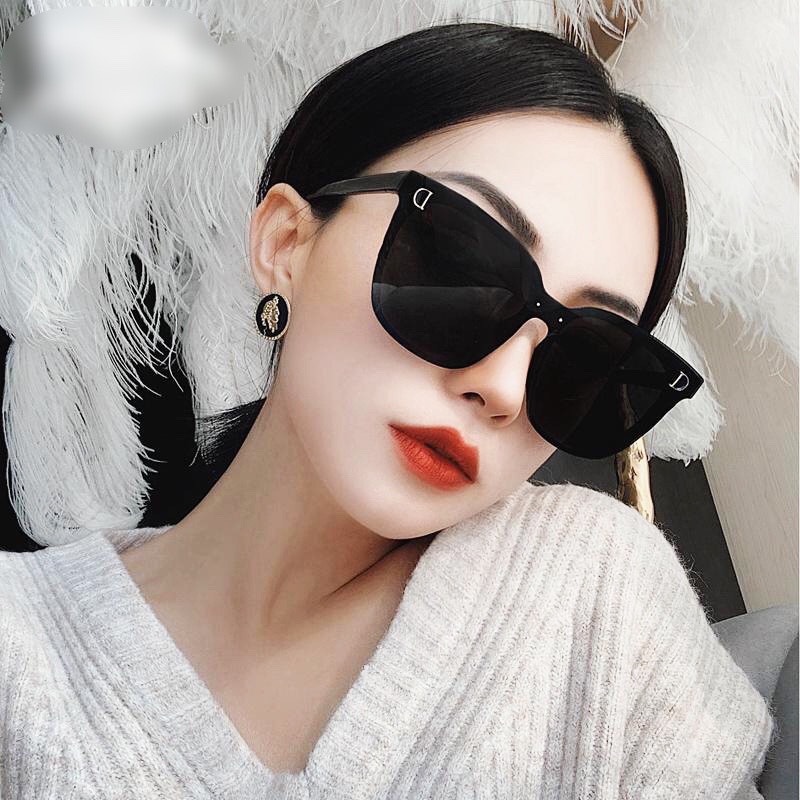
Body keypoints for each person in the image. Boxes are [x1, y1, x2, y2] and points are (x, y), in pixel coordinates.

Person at [0, 22, 775, 799]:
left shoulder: (591, 597)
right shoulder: (21, 651)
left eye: (585, 354)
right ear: (286, 243)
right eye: (464, 270)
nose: (504, 389)